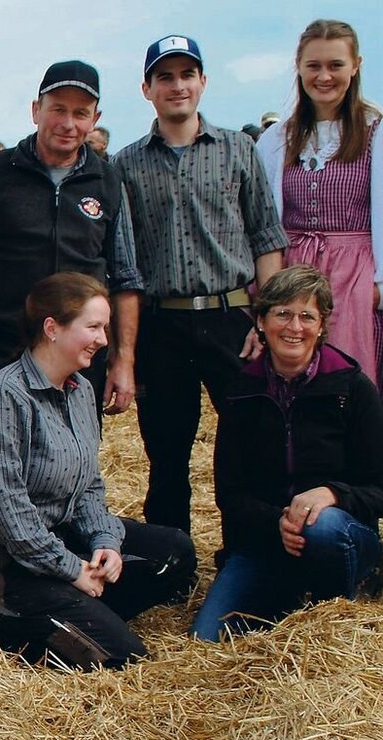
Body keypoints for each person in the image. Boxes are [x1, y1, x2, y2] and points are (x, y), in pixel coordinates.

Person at [0, 273, 197, 669]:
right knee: (118, 655)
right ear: (52, 328)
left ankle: (70, 608)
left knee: (175, 554)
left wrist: (105, 545)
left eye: (105, 328)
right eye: (94, 327)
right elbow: (7, 513)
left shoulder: (80, 391)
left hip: (59, 540)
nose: (103, 339)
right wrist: (70, 569)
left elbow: (89, 487)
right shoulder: (0, 396)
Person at [113, 34, 288, 534]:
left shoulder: (238, 150)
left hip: (231, 317)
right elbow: (124, 257)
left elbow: (266, 237)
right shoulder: (127, 163)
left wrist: (266, 315)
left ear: (203, 82)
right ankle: (174, 561)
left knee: (246, 443)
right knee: (166, 451)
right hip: (162, 321)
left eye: (187, 75)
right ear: (147, 88)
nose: (177, 86)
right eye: (165, 77)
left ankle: (246, 550)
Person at [191, 265, 383, 641]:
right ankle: (287, 596)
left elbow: (379, 487)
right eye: (282, 314)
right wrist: (276, 522)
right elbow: (229, 494)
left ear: (321, 324)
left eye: (306, 316)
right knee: (208, 638)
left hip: (338, 536)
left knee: (322, 525)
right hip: (265, 544)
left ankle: (340, 603)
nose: (294, 327)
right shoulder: (241, 391)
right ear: (260, 321)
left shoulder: (352, 387)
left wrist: (333, 494)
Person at [0, 60, 142, 415]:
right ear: (36, 110)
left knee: (74, 460)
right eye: (57, 109)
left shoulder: (108, 182)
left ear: (94, 119)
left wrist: (123, 360)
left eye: (80, 113)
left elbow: (125, 276)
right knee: (1, 455)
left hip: (82, 355)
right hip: (6, 348)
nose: (68, 123)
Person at [255, 19, 382, 386]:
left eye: (335, 65)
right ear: (299, 67)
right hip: (292, 269)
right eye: (314, 66)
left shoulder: (376, 132)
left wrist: (377, 288)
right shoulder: (279, 137)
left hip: (354, 274)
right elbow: (264, 218)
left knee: (347, 379)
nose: (324, 76)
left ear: (355, 65)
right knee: (293, 379)